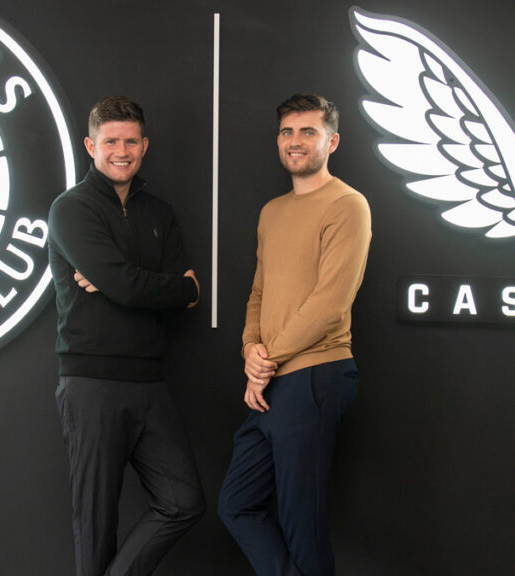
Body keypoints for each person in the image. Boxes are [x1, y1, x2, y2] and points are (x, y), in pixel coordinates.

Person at [48, 96, 205, 576]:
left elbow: (188, 290)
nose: (122, 150)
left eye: (131, 141)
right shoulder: (71, 209)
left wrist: (129, 281)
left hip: (150, 383)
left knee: (184, 501)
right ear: (90, 145)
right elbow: (145, 285)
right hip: (91, 381)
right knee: (96, 520)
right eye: (111, 141)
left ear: (145, 145)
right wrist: (149, 284)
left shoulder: (159, 212)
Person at [218, 93, 372, 576]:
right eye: (287, 131)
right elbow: (259, 292)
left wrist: (267, 361)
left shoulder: (348, 205)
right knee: (236, 504)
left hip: (314, 376)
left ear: (333, 141)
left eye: (308, 131)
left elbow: (330, 303)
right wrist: (249, 350)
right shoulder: (272, 211)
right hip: (271, 381)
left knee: (301, 519)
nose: (296, 141)